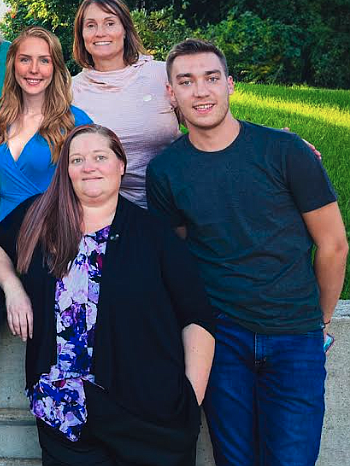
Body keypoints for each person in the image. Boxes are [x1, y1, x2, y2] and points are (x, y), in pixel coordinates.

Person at [146, 39, 348, 466]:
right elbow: (180, 252)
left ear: (230, 85)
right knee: (233, 460)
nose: (200, 91)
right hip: (223, 338)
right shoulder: (166, 171)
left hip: (295, 334)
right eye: (186, 81)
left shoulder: (285, 151)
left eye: (210, 78)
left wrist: (320, 321)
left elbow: (333, 244)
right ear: (171, 94)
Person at [0, 124, 215, 466]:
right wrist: (13, 288)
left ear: (121, 164)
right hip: (63, 411)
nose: (88, 166)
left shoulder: (152, 233)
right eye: (77, 160)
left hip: (145, 412)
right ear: (67, 171)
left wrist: (189, 404)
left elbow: (197, 316)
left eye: (100, 157)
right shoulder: (41, 216)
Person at [69, 0, 180, 207]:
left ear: (125, 30)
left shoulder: (162, 74)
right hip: (104, 213)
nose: (100, 32)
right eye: (90, 25)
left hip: (173, 204)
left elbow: (201, 128)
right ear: (81, 35)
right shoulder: (70, 91)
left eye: (110, 23)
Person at [0, 27, 91, 233]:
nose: (34, 69)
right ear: (13, 65)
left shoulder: (76, 122)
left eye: (44, 60)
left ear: (56, 67)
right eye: (25, 59)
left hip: (52, 232)